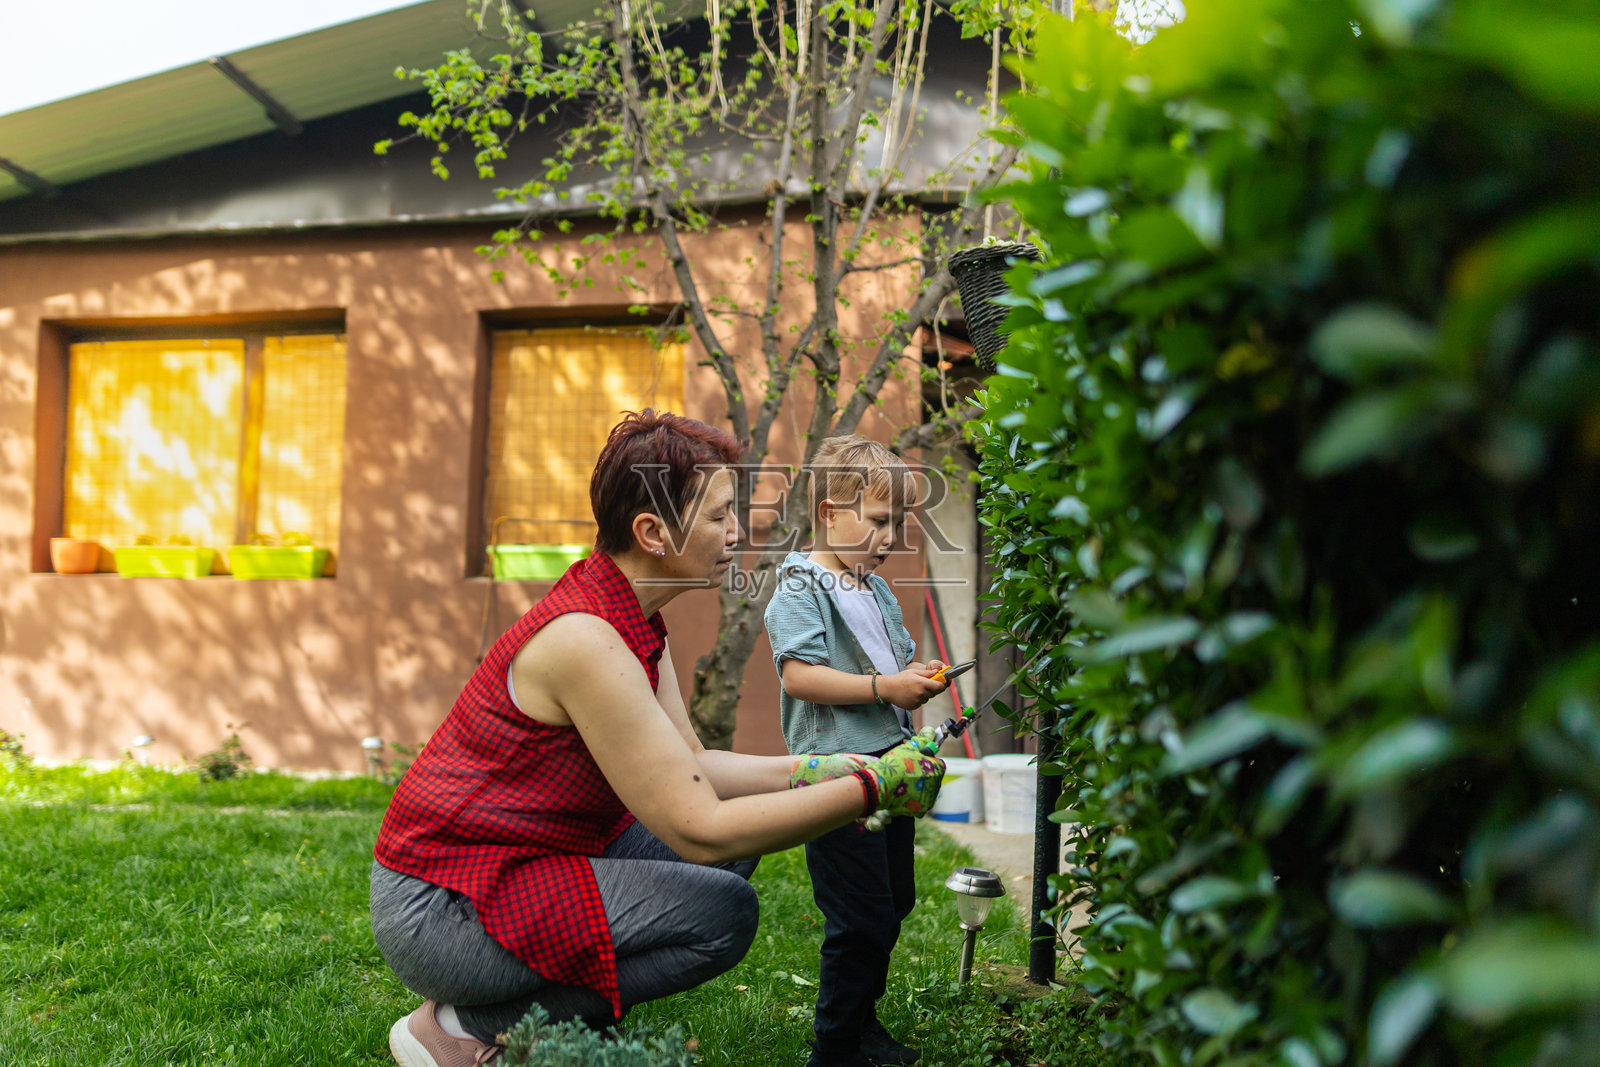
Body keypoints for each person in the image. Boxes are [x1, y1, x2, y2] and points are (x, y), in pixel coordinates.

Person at [369, 410, 944, 1067]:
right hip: (441, 905)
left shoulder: (633, 611)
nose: (737, 532)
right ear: (652, 531)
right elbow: (699, 826)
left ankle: (515, 1013)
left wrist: (822, 766)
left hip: (513, 864)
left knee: (731, 862)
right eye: (721, 515)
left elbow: (695, 764)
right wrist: (871, 786)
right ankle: (464, 1024)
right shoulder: (586, 638)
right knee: (723, 913)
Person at [763, 434, 952, 1067]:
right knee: (858, 916)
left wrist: (915, 674)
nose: (888, 536)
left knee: (894, 903)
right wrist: (883, 686)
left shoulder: (874, 589)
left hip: (890, 769)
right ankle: (835, 1047)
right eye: (877, 521)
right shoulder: (800, 587)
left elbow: (891, 665)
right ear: (828, 514)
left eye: (897, 523)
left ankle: (862, 1028)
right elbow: (799, 676)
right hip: (840, 777)